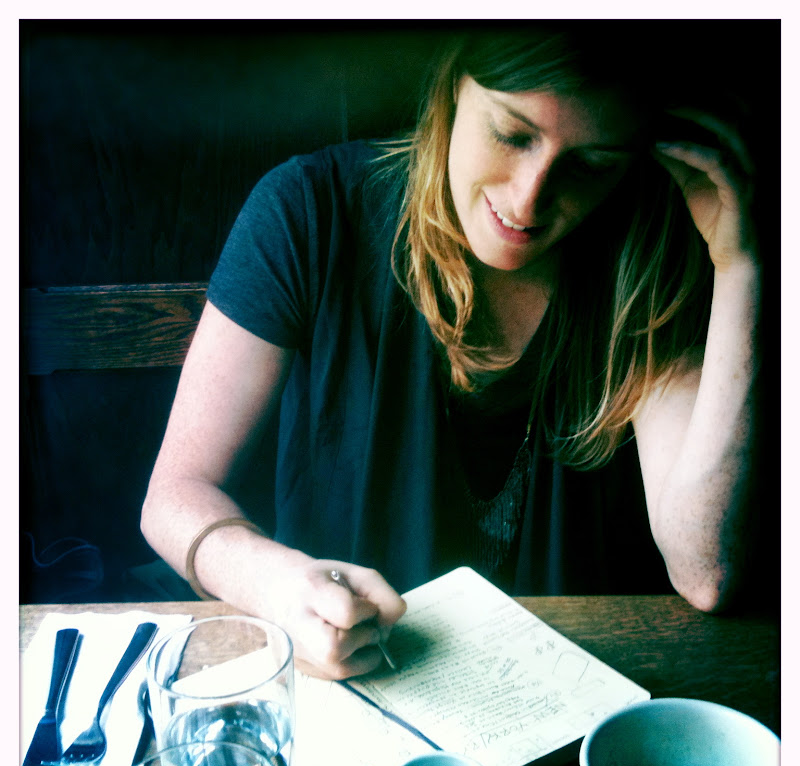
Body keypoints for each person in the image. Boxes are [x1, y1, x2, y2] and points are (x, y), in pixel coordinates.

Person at [141, 25, 764, 680]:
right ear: (451, 87)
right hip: (352, 689)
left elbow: (706, 571)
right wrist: (274, 585)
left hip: (569, 693)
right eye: (512, 134)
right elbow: (175, 495)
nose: (529, 199)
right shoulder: (310, 212)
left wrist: (741, 265)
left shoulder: (647, 260)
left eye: (592, 164)